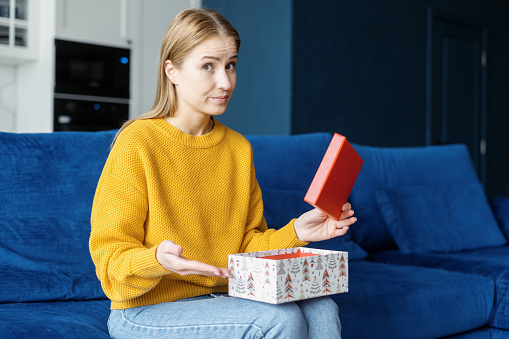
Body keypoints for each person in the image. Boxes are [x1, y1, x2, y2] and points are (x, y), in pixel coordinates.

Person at [89, 8, 357, 339]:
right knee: (280, 320)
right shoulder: (138, 143)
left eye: (230, 65)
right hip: (144, 309)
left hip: (225, 295)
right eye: (208, 66)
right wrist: (157, 260)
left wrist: (298, 232)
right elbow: (110, 261)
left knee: (322, 308)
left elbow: (245, 247)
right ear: (172, 71)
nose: (225, 81)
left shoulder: (237, 148)